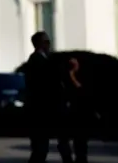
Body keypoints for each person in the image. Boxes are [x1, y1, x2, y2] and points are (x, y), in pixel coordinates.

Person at [24, 31, 73, 163]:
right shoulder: (35, 60)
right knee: (41, 148)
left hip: (52, 109)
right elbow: (44, 85)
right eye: (46, 42)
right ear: (39, 44)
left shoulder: (47, 59)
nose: (49, 45)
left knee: (61, 143)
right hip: (43, 111)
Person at [63, 57, 97, 163]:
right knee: (77, 141)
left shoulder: (82, 77)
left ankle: (81, 158)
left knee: (80, 141)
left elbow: (82, 91)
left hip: (80, 113)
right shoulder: (67, 78)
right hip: (74, 113)